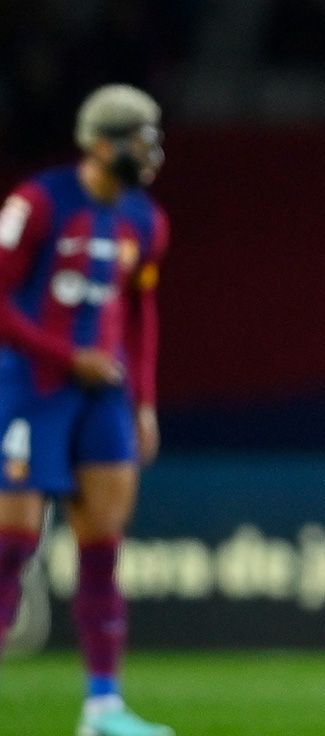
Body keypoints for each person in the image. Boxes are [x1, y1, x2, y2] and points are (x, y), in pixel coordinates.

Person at [0, 84, 172, 736]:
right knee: (9, 546)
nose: (152, 153)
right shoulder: (37, 203)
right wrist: (62, 353)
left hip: (103, 395)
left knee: (101, 547)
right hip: (30, 385)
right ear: (103, 144)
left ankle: (103, 709)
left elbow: (142, 312)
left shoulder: (147, 221)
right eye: (141, 139)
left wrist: (146, 401)